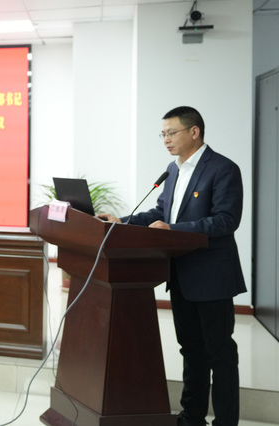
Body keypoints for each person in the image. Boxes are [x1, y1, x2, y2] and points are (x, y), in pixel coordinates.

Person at [97, 106, 244, 426]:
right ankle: (191, 418)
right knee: (191, 350)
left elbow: (226, 220)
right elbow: (160, 213)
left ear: (194, 131)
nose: (165, 139)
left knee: (219, 352)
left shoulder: (223, 169)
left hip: (212, 276)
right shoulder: (173, 170)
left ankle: (225, 422)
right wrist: (122, 222)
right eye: (162, 134)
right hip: (180, 273)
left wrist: (172, 230)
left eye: (171, 133)